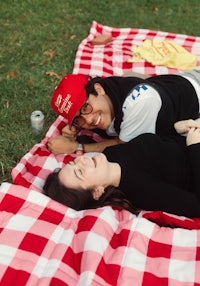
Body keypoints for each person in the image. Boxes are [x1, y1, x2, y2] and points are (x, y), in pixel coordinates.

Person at [44, 120, 200, 218]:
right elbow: (196, 205)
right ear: (97, 191)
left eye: (73, 163)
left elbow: (157, 145)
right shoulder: (142, 191)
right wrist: (194, 148)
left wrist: (174, 128)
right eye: (80, 172)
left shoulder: (110, 154)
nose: (82, 161)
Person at [48, 70, 200, 155]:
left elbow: (125, 148)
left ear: (98, 89)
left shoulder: (138, 101)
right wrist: (76, 127)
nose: (88, 120)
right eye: (78, 119)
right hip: (176, 83)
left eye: (85, 108)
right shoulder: (106, 92)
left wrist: (76, 147)